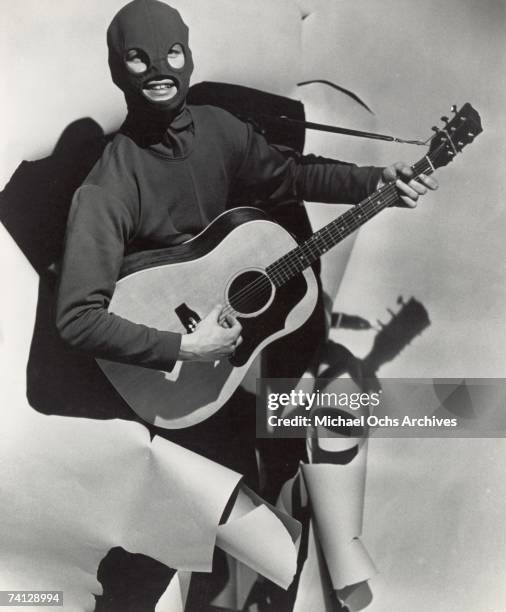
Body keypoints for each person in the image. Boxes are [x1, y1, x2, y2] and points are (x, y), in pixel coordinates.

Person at [55, 1, 438, 609]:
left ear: (189, 56)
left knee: (328, 405)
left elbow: (292, 176)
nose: (159, 69)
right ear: (117, 69)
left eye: (172, 54)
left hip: (232, 375)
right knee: (194, 561)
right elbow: (77, 318)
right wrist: (183, 345)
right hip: (166, 396)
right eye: (138, 57)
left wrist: (379, 183)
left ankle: (343, 578)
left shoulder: (217, 129)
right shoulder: (110, 184)